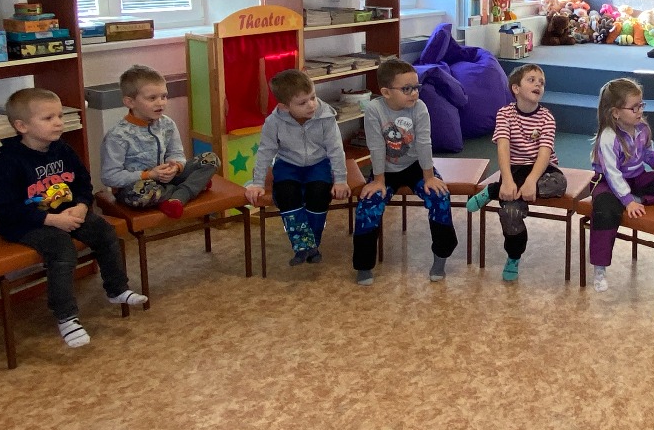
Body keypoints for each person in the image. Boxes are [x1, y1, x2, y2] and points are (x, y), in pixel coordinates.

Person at [0, 88, 147, 348]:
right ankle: (66, 316)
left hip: (68, 213)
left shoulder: (63, 150)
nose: (58, 123)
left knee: (104, 231)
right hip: (27, 224)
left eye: (60, 116)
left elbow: (83, 183)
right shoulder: (10, 162)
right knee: (62, 249)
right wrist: (51, 220)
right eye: (48, 118)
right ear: (22, 126)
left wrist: (83, 206)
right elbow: (6, 208)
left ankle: (117, 289)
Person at [352, 59, 456, 285]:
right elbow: (376, 147)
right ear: (386, 92)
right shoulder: (374, 110)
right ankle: (363, 265)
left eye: (416, 87)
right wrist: (378, 180)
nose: (414, 93)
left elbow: (424, 143)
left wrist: (429, 177)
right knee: (368, 205)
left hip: (416, 167)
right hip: (385, 170)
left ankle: (440, 258)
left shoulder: (420, 108)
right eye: (407, 89)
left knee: (439, 198)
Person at [465, 64, 567, 281]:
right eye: (531, 80)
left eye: (541, 82)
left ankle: (492, 191)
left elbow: (545, 153)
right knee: (510, 213)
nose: (538, 84)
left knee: (559, 184)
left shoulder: (547, 117)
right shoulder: (505, 114)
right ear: (516, 88)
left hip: (541, 170)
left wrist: (531, 181)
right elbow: (503, 148)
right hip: (513, 170)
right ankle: (513, 256)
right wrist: (507, 181)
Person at [243, 69, 350, 266]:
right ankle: (302, 246)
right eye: (302, 103)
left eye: (313, 97)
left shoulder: (326, 117)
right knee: (286, 195)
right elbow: (265, 152)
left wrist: (341, 180)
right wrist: (258, 183)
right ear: (284, 107)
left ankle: (312, 245)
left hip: (319, 164)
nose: (311, 105)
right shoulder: (273, 122)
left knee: (319, 194)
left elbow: (336, 149)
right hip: (288, 165)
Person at [586, 78, 654, 293]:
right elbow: (612, 173)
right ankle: (600, 268)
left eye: (641, 105)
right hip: (608, 183)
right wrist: (627, 200)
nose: (640, 111)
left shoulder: (642, 128)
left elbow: (648, 150)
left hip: (636, 178)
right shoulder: (608, 137)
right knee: (604, 211)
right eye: (634, 107)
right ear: (616, 112)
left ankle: (636, 200)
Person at [101, 64, 221, 219]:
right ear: (130, 102)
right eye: (152, 98)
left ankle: (178, 195)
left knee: (211, 159)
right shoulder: (117, 135)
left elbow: (177, 153)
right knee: (141, 193)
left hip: (168, 178)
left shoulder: (167, 124)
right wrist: (149, 174)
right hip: (138, 185)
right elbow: (110, 176)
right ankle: (189, 189)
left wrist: (175, 167)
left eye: (164, 96)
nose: (161, 103)